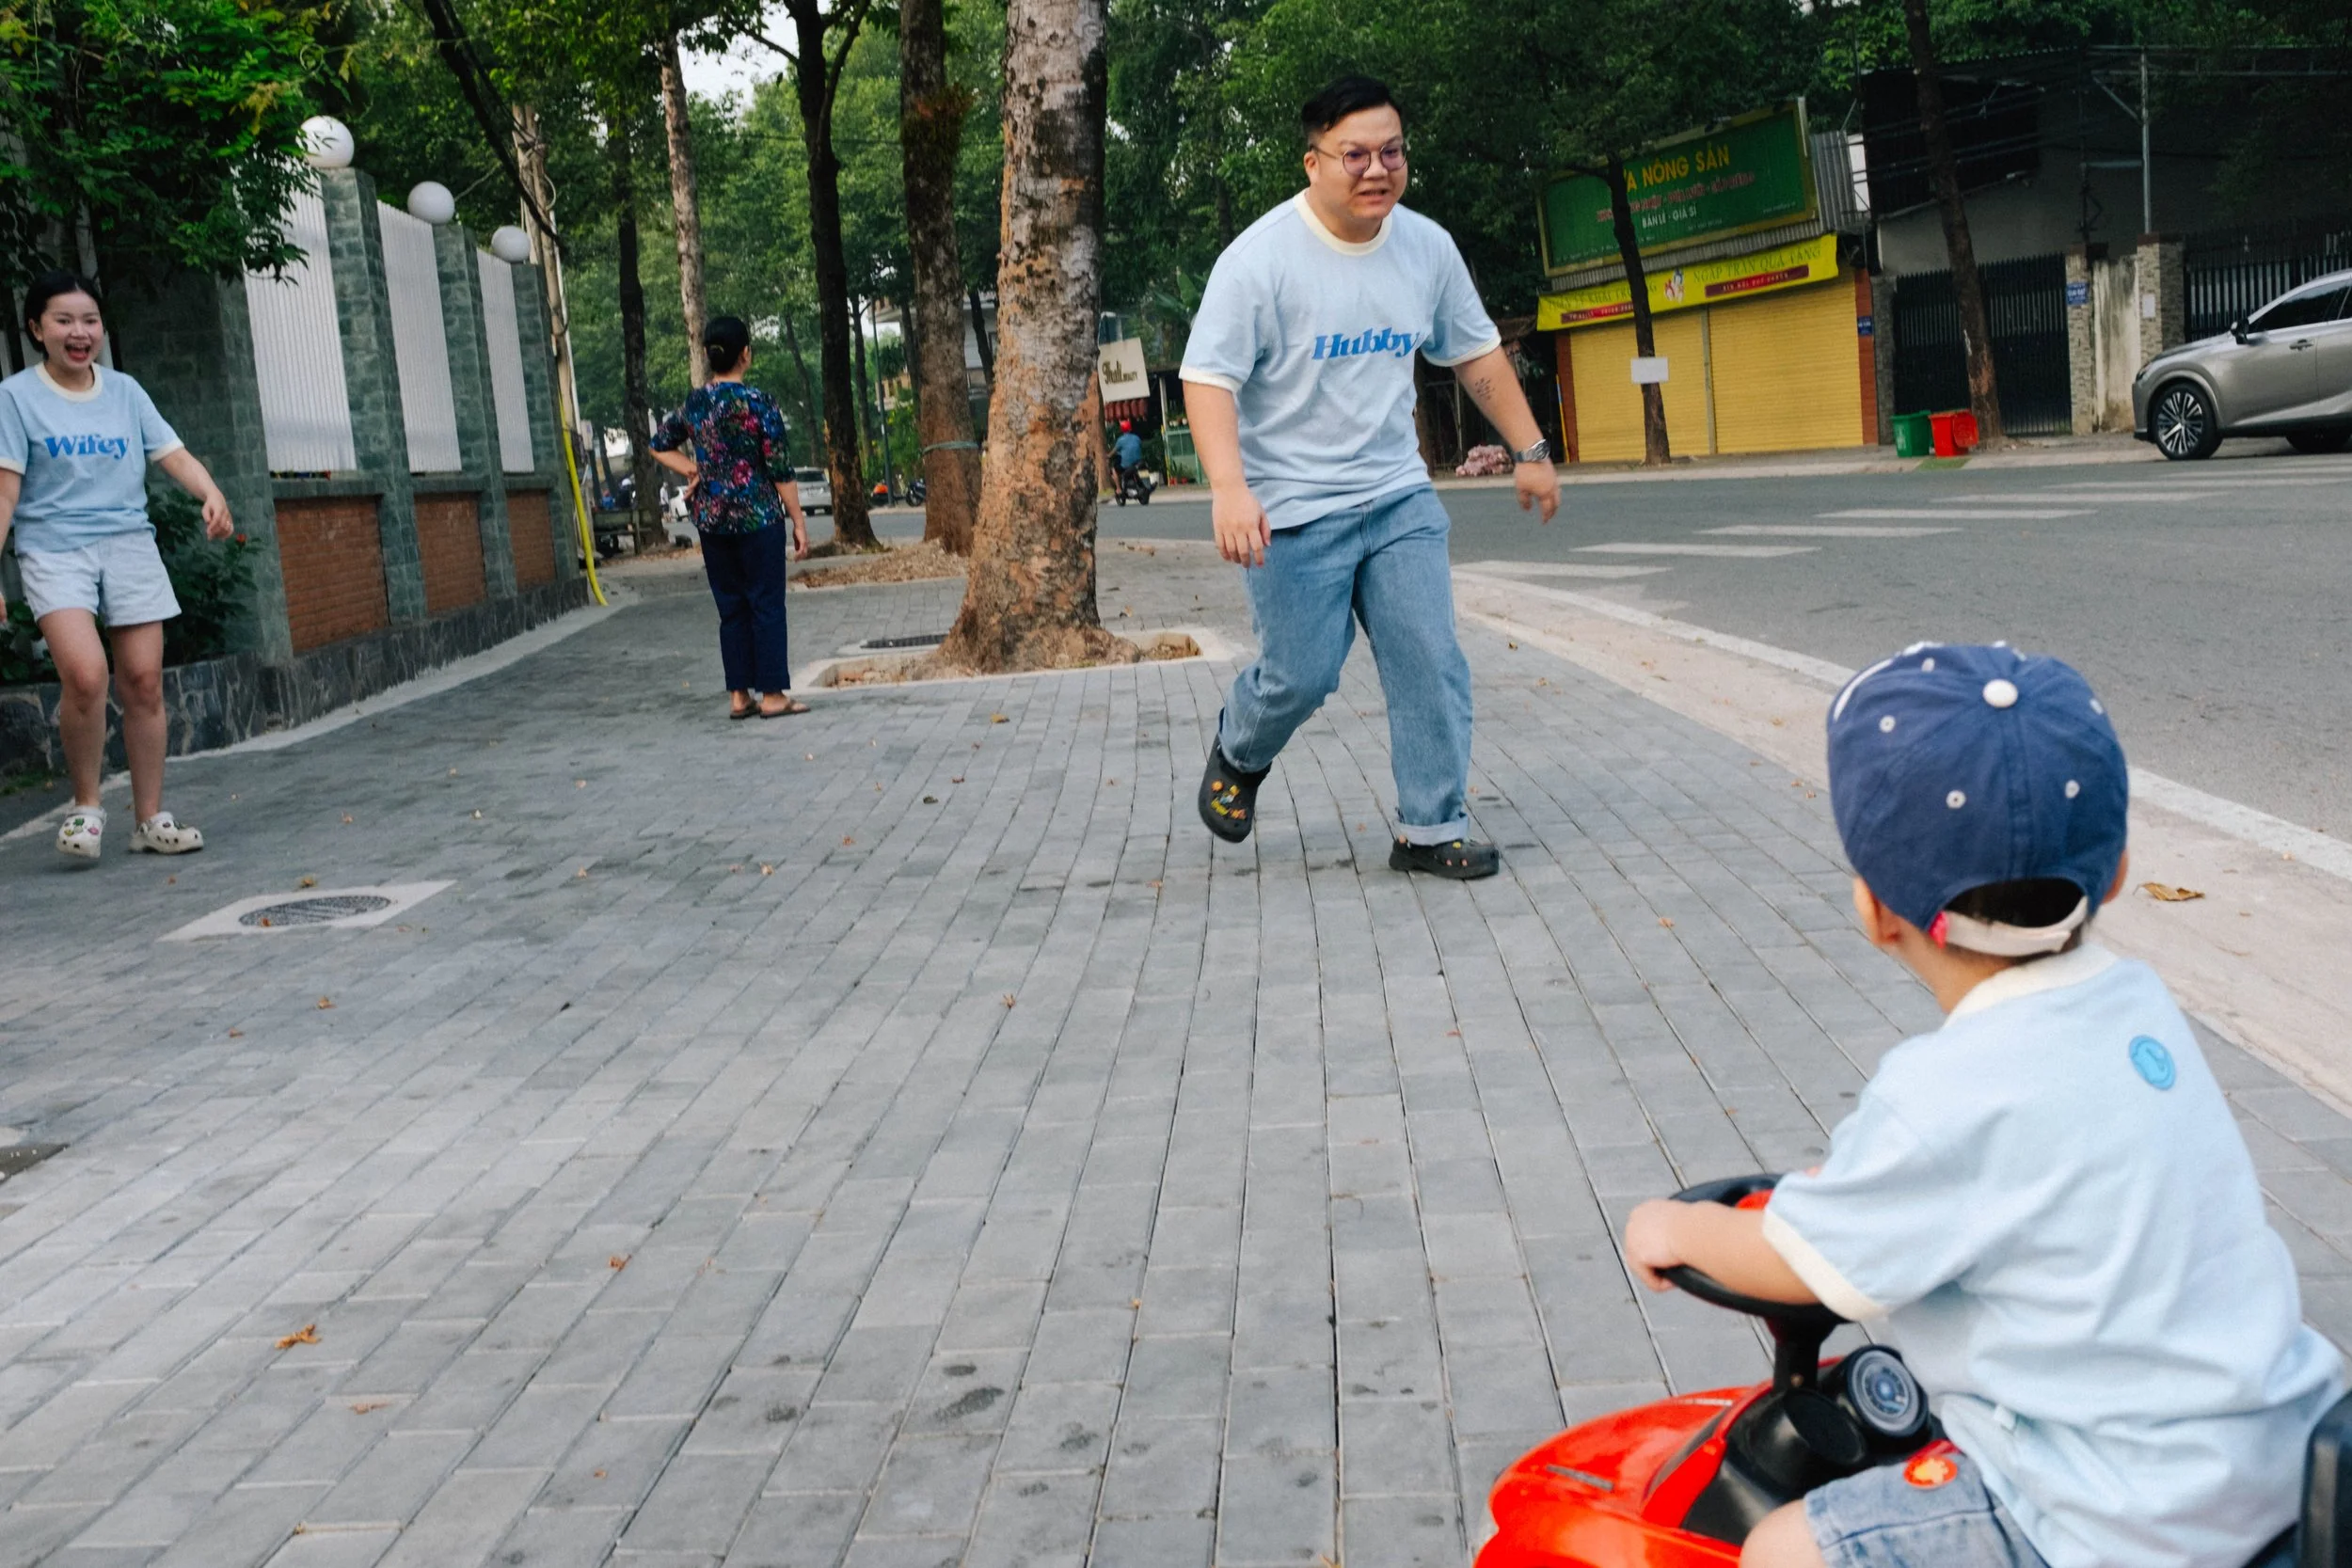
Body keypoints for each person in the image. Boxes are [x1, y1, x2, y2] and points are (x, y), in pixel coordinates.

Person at [1621, 642, 2344, 1568]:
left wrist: (1674, 1228)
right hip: (2268, 1450)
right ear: (2115, 871)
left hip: (2113, 1514)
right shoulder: (2137, 1004)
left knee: (1780, 1548)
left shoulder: (1945, 1094)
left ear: (1873, 908)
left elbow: (1795, 1263)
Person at [1178, 75, 1557, 879]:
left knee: (1429, 652)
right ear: (1313, 162)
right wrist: (1227, 487)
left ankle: (1431, 826)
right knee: (1303, 673)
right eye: (1356, 154)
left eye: (1392, 151)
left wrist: (1530, 451)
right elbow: (1207, 376)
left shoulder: (1425, 247)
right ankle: (1240, 749)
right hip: (1293, 510)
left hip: (1396, 496)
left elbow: (1475, 352)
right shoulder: (1259, 260)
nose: (1377, 169)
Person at [0, 271, 236, 861]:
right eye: (64, 321)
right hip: (53, 548)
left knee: (144, 681)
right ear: (36, 329)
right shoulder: (16, 398)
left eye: (90, 321)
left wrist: (211, 492)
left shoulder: (125, 391)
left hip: (128, 543)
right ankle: (85, 808)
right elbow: (5, 492)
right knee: (85, 676)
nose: (80, 333)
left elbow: (172, 453)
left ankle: (149, 819)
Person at [650, 316, 810, 721]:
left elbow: (658, 445)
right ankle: (772, 695)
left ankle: (739, 696)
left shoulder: (696, 403)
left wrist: (693, 468)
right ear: (746, 354)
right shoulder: (760, 403)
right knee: (766, 604)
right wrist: (798, 521)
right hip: (759, 517)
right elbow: (780, 468)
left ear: (708, 355)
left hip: (712, 519)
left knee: (732, 608)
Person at [1113, 420, 1142, 487]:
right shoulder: (1136, 437)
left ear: (1122, 430)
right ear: (1130, 428)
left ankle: (1118, 489)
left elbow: (1114, 451)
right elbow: (1140, 445)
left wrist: (1108, 455)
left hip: (1126, 465)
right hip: (1139, 462)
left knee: (1113, 469)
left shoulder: (1120, 440)